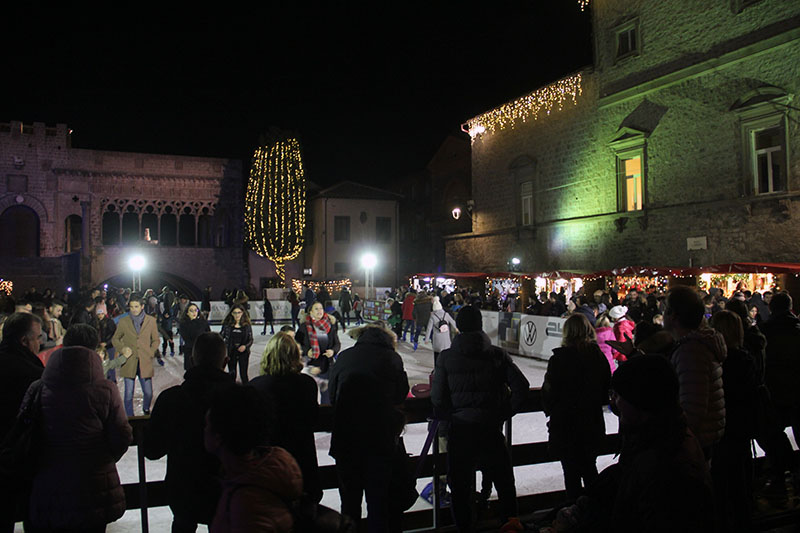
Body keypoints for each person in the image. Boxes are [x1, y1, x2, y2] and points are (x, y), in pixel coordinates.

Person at [24, 323, 132, 532]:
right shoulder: (105, 389)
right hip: (93, 485)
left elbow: (26, 430)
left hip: (49, 482)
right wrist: (102, 459)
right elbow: (122, 435)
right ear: (93, 349)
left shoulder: (39, 388)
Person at [431, 305, 530, 532]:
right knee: (504, 483)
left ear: (459, 326)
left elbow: (438, 398)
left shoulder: (446, 358)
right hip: (489, 429)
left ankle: (465, 528)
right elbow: (521, 388)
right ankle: (510, 525)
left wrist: (451, 415)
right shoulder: (496, 355)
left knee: (461, 486)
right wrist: (504, 412)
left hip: (461, 430)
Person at [145, 332, 234, 532]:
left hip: (183, 490)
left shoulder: (171, 399)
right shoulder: (240, 398)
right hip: (227, 489)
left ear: (193, 360)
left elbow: (152, 449)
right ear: (226, 362)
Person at [329, 322, 410, 532]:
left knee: (349, 504)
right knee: (379, 503)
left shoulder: (345, 357)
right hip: (379, 440)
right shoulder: (392, 358)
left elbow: (332, 395)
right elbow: (402, 393)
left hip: (346, 440)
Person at [204, 385, 303, 532]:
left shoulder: (246, 502)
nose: (204, 430)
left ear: (218, 436)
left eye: (207, 425)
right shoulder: (271, 466)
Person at [542, 314, 611, 504]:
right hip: (591, 423)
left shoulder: (559, 360)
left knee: (571, 474)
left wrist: (551, 410)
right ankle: (595, 515)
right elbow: (607, 388)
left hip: (566, 426)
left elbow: (549, 392)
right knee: (590, 469)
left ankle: (575, 516)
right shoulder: (597, 357)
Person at [250, 332, 322, 509]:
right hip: (302, 465)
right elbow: (313, 418)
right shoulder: (306, 384)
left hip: (268, 468)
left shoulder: (256, 386)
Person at [0, 313, 44, 531]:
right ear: (24, 341)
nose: (41, 342)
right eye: (37, 337)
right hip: (23, 463)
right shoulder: (33, 376)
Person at [760, 292, 800, 466]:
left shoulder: (765, 330)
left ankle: (783, 467)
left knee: (772, 430)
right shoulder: (797, 328)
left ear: (771, 307)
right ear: (790, 307)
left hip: (774, 387)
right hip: (796, 387)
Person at [112, 293, 161, 416]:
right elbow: (115, 339)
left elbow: (156, 340)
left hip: (145, 361)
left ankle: (145, 409)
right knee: (128, 394)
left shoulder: (151, 321)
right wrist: (123, 349)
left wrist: (150, 351)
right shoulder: (123, 321)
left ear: (142, 307)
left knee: (148, 392)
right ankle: (129, 417)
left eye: (136, 306)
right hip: (129, 361)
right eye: (132, 307)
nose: (133, 309)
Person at [296, 301, 340, 404]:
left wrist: (333, 351)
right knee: (308, 395)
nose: (319, 311)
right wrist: (307, 351)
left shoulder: (330, 326)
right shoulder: (303, 327)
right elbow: (296, 345)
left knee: (326, 395)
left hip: (326, 365)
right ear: (310, 312)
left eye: (321, 308)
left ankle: (325, 416)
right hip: (309, 367)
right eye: (316, 309)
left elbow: (337, 344)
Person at [220, 304, 253, 384]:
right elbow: (221, 336)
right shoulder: (227, 325)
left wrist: (245, 346)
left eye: (239, 312)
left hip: (243, 353)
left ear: (242, 313)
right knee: (232, 375)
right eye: (235, 313)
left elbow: (250, 339)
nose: (237, 315)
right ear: (231, 313)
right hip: (231, 352)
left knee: (244, 374)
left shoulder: (247, 325)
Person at [178, 302, 211, 371]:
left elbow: (208, 334)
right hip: (190, 351)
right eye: (191, 310)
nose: (194, 312)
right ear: (187, 313)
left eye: (196, 310)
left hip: (202, 352)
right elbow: (186, 338)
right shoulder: (183, 324)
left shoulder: (203, 322)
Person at [425, 296, 458, 363]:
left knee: (437, 356)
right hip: (446, 339)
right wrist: (457, 329)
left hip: (437, 339)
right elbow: (453, 322)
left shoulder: (433, 317)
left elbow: (429, 328)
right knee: (446, 355)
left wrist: (427, 339)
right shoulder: (446, 314)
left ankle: (437, 369)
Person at [96, 303, 118, 382]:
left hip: (109, 346)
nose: (100, 316)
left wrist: (107, 343)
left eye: (101, 314)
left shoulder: (109, 322)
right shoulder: (95, 323)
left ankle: (112, 380)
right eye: (98, 314)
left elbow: (114, 334)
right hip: (100, 348)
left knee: (110, 364)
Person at [158, 286, 177, 357]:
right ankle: (165, 351)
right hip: (166, 327)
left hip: (167, 327)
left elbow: (168, 305)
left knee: (169, 339)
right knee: (166, 340)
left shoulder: (167, 297)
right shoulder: (166, 298)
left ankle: (170, 350)